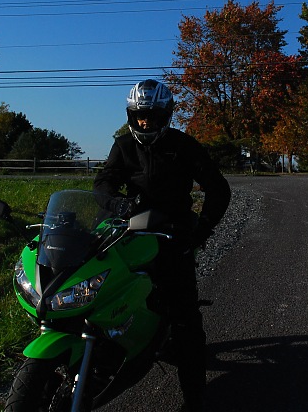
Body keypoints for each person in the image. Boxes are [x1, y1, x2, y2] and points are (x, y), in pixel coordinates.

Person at [93, 79, 231, 411]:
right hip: (129, 233)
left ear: (165, 115)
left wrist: (201, 231)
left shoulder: (184, 145)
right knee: (102, 290)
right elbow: (103, 183)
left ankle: (195, 398)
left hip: (173, 237)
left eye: (152, 116)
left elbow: (218, 188)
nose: (145, 122)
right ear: (130, 115)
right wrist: (115, 205)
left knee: (185, 321)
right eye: (139, 116)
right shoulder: (123, 146)